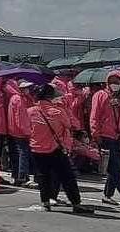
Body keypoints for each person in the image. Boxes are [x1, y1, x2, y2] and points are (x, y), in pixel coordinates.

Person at [29, 84, 93, 213]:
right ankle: (76, 203)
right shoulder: (57, 112)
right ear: (50, 97)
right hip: (55, 148)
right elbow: (70, 124)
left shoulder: (30, 111)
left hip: (37, 148)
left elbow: (27, 129)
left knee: (43, 177)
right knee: (67, 177)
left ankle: (45, 203)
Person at [90, 70, 120, 209]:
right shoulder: (100, 95)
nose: (114, 85)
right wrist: (96, 135)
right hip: (105, 136)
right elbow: (94, 117)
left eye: (117, 82)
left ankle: (107, 195)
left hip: (119, 136)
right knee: (116, 168)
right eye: (111, 82)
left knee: (114, 167)